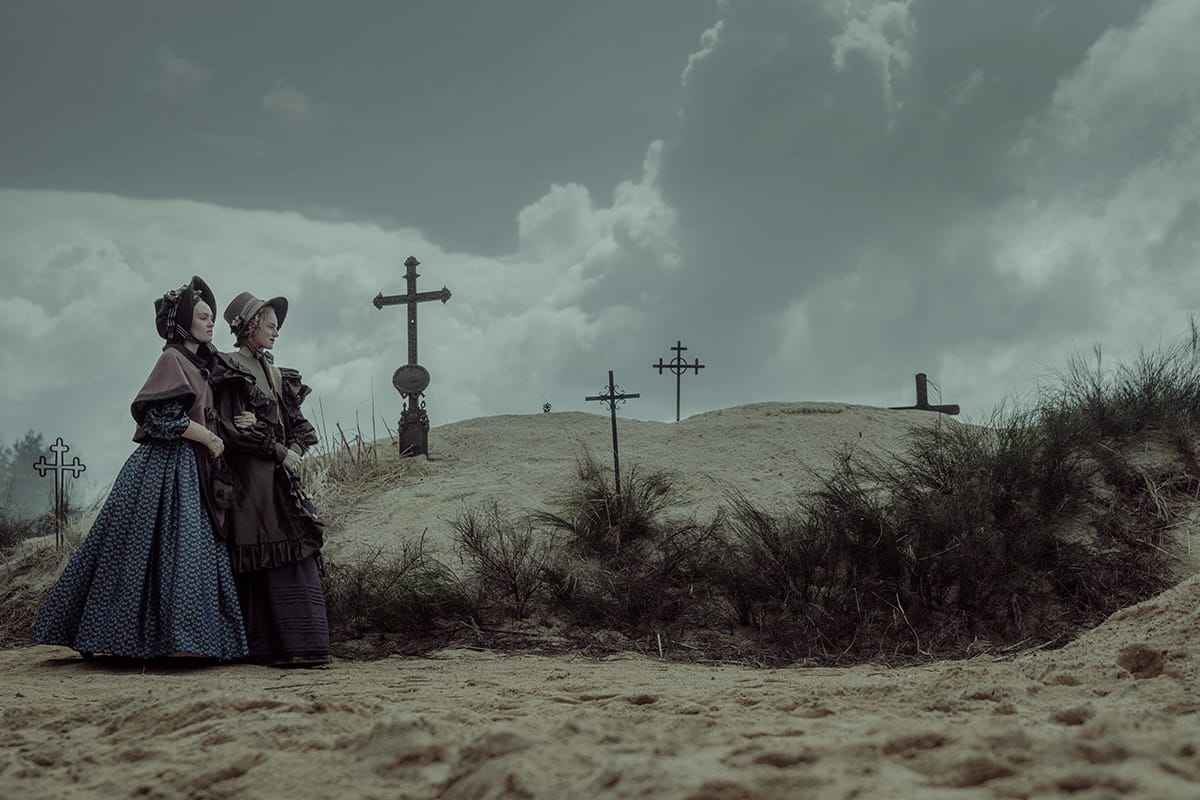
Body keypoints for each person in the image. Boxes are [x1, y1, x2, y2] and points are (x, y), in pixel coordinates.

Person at [32, 277, 248, 661]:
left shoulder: (200, 363)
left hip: (194, 470)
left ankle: (186, 641)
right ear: (183, 322)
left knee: (187, 554)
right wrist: (209, 438)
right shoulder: (172, 360)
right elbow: (160, 417)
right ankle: (141, 640)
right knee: (149, 553)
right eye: (203, 317)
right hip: (166, 468)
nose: (211, 323)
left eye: (212, 317)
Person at [218, 291, 331, 667]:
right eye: (270, 325)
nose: (276, 332)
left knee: (294, 541)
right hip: (251, 480)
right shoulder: (230, 368)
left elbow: (298, 425)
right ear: (250, 326)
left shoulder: (277, 373)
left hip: (281, 477)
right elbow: (234, 431)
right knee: (263, 544)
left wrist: (292, 451)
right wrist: (279, 450)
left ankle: (305, 644)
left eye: (277, 326)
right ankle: (269, 647)